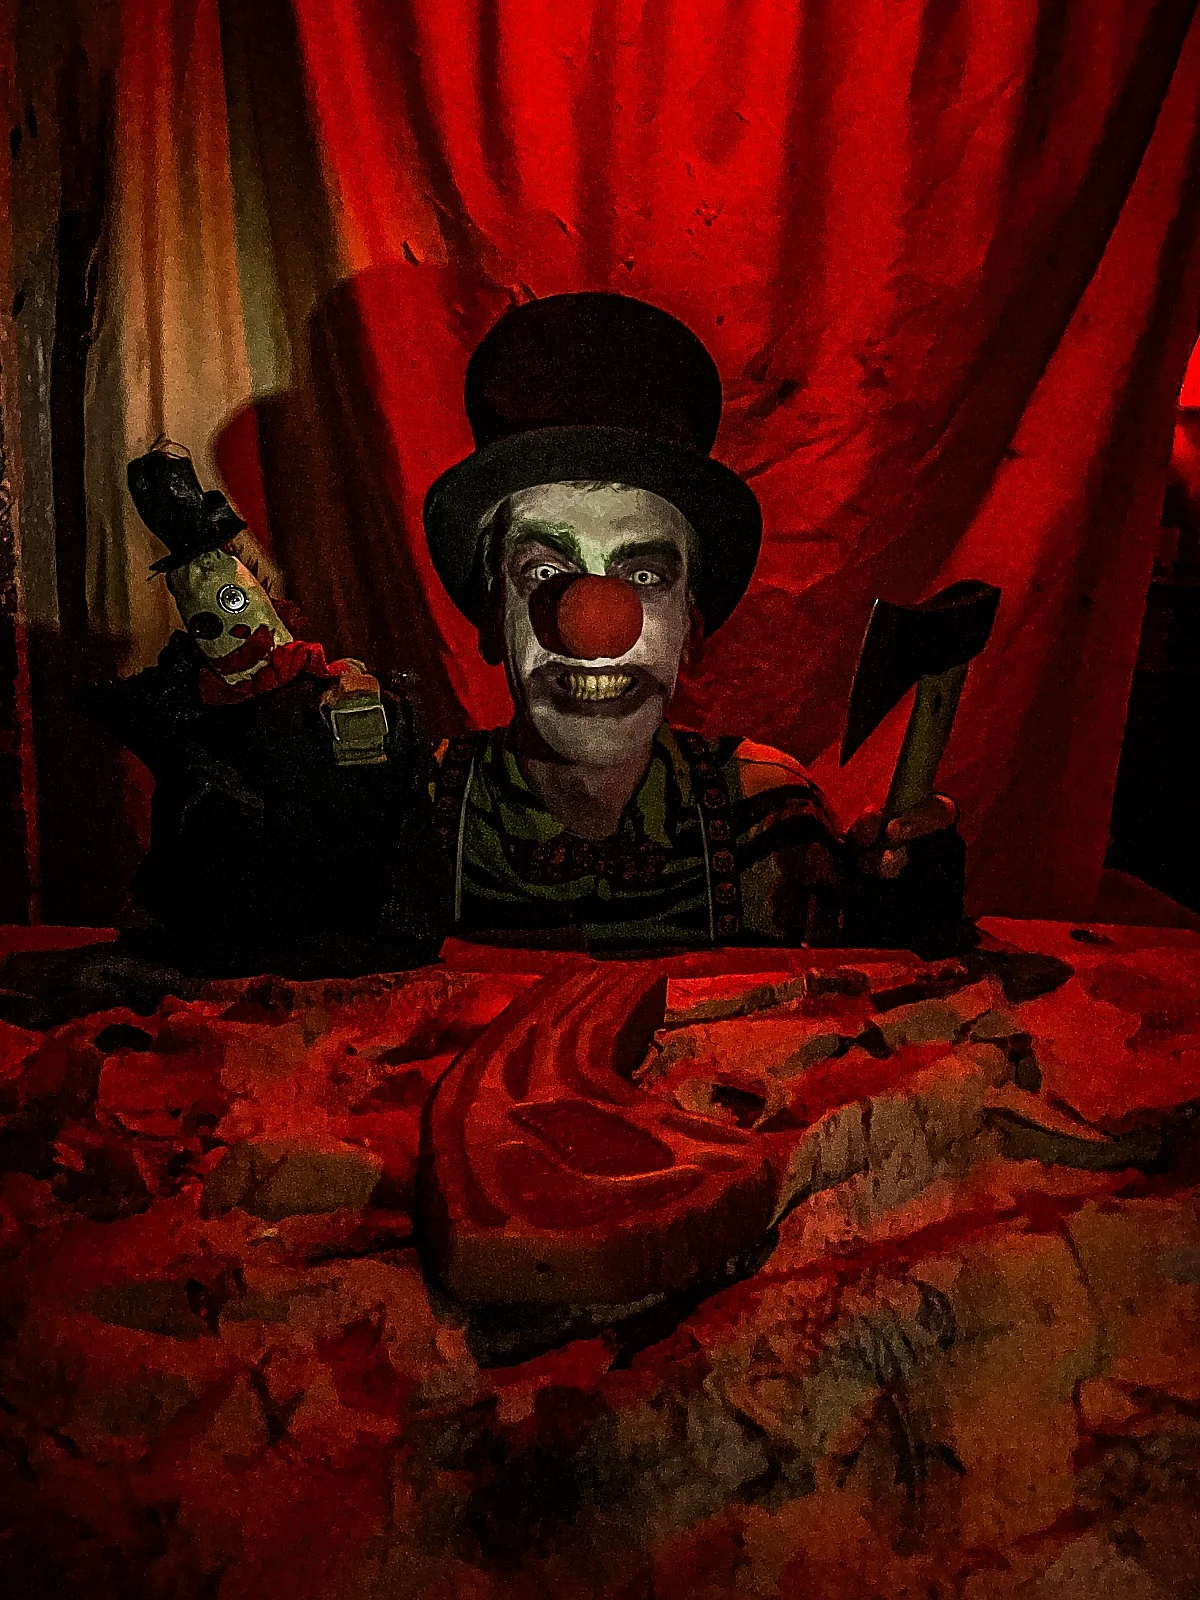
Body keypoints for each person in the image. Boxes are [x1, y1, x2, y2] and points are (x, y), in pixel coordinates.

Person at [421, 292, 967, 956]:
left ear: (691, 628)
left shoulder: (770, 820)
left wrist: (904, 915)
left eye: (644, 576)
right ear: (489, 614)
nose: (595, 629)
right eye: (543, 570)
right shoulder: (413, 813)